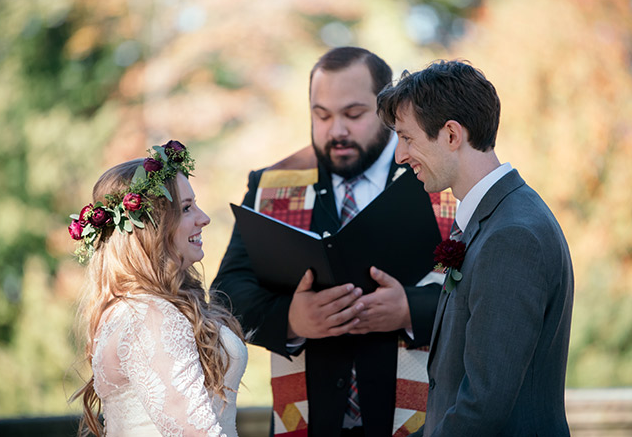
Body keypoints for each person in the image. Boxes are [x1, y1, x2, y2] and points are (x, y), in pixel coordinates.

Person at [213, 47, 456, 437]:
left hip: (418, 424)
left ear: (389, 111)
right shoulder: (274, 185)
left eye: (354, 114)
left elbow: (485, 295)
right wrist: (291, 318)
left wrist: (409, 309)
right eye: (321, 115)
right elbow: (226, 295)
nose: (336, 130)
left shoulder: (438, 183)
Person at [376, 60, 574, 436]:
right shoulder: (493, 219)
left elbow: (483, 405)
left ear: (451, 135)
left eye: (408, 138)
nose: (400, 156)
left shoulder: (512, 236)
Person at [69, 140, 248, 436]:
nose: (204, 218)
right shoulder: (149, 317)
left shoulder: (137, 307)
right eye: (187, 209)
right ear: (153, 227)